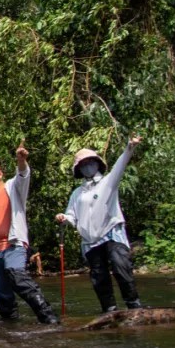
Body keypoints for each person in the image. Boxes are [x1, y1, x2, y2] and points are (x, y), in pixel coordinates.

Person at [0, 141, 59, 324]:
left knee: (16, 274)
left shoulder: (13, 187)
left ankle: (48, 317)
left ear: (0, 174)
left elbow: (24, 175)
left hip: (13, 244)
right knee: (0, 289)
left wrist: (21, 161)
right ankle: (10, 327)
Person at [57, 134, 144, 313]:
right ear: (79, 169)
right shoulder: (77, 194)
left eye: (90, 162)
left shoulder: (108, 183)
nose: (88, 166)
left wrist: (130, 147)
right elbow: (72, 216)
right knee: (99, 276)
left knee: (121, 267)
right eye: (83, 164)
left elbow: (120, 166)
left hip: (111, 233)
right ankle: (109, 309)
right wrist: (64, 218)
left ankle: (133, 305)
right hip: (90, 240)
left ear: (97, 164)